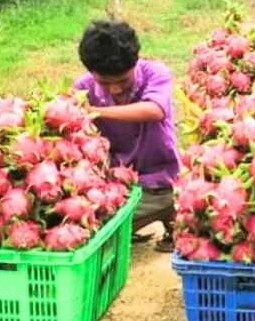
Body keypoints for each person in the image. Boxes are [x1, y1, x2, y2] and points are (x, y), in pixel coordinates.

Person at [73, 19, 179, 252]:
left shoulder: (155, 74)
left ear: (135, 63)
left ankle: (169, 210)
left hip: (160, 179)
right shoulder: (83, 88)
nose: (115, 90)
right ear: (91, 72)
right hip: (115, 181)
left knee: (105, 233)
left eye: (122, 81)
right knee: (87, 228)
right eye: (104, 82)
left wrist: (96, 112)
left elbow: (155, 110)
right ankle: (151, 216)